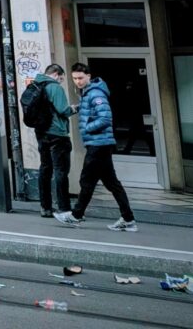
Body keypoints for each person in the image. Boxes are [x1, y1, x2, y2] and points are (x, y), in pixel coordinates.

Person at [55, 62, 137, 232]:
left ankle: (76, 215)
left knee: (87, 180)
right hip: (100, 144)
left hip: (98, 144)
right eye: (74, 78)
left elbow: (105, 118)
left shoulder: (96, 94)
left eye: (80, 78)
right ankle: (128, 219)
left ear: (89, 76)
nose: (77, 81)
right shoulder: (88, 94)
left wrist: (87, 128)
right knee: (112, 183)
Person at [31, 64, 73, 218]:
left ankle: (45, 207)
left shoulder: (35, 85)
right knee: (61, 170)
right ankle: (64, 208)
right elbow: (63, 110)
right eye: (61, 78)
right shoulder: (55, 87)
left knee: (45, 168)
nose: (61, 81)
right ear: (56, 74)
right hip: (57, 134)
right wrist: (75, 108)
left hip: (41, 133)